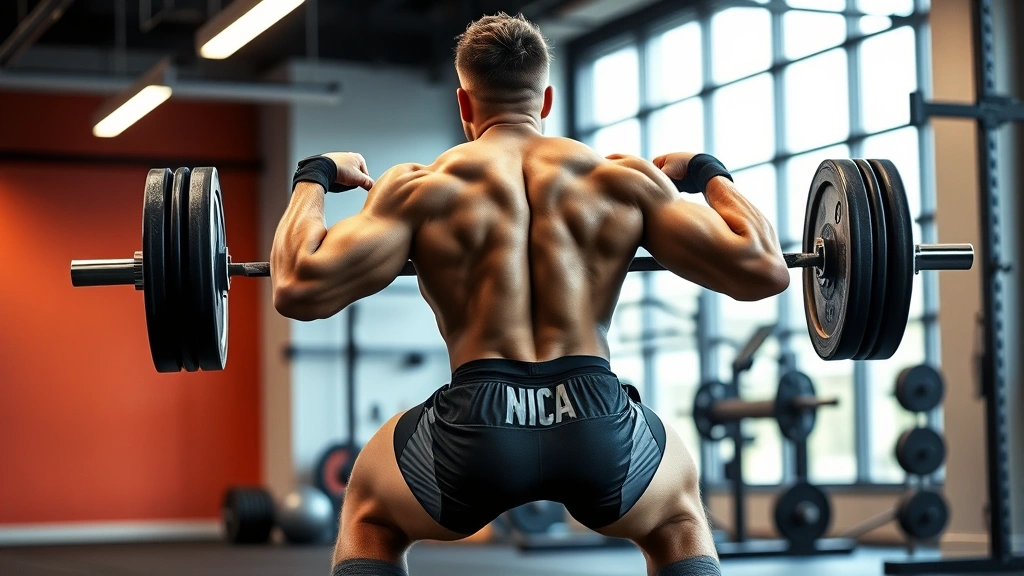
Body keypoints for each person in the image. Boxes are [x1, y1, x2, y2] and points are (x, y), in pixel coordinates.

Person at [270, 12, 789, 576]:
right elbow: (764, 268)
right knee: (679, 519)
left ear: (464, 104)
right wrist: (708, 172)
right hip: (595, 419)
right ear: (545, 99)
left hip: (477, 429)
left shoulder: (419, 187)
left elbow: (297, 284)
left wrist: (314, 174)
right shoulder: (621, 180)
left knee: (370, 513)